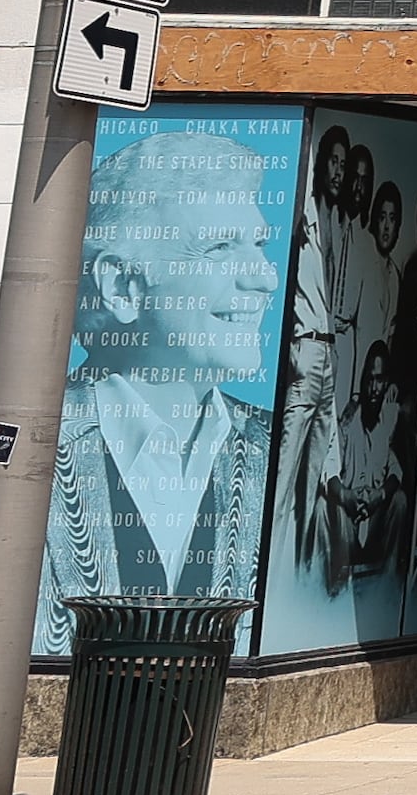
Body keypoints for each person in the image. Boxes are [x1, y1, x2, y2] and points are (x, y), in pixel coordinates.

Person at [50, 123, 282, 604]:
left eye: (258, 245)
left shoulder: (274, 447)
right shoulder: (34, 446)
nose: (264, 279)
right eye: (220, 247)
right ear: (121, 287)